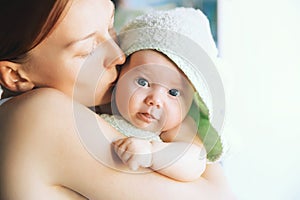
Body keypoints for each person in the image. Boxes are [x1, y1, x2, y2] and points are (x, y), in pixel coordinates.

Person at [0, 0, 234, 199]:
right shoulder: (39, 114)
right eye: (89, 51)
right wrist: (186, 120)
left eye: (111, 29)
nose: (119, 56)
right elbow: (218, 195)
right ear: (15, 75)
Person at [101, 8, 224, 182]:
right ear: (120, 72)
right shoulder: (99, 106)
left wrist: (152, 153)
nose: (155, 100)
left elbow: (195, 162)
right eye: (142, 82)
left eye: (173, 93)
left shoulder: (175, 128)